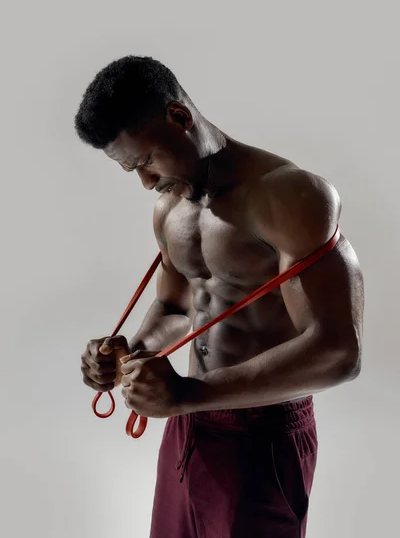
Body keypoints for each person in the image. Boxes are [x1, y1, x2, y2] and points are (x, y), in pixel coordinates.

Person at [76, 56, 364, 538]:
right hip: (187, 425)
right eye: (132, 170)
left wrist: (190, 393)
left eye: (147, 160)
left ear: (180, 117)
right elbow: (174, 306)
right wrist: (130, 352)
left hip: (262, 436)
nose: (146, 182)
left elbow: (339, 351)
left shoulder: (289, 197)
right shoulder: (170, 207)